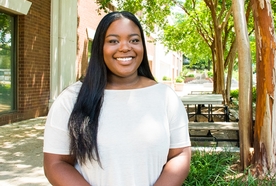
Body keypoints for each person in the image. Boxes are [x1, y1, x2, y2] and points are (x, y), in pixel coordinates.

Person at [43, 11, 191, 186]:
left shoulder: (166, 97)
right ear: (100, 47)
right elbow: (56, 163)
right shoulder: (71, 99)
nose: (125, 47)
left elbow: (180, 153)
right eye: (113, 41)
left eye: (134, 40)